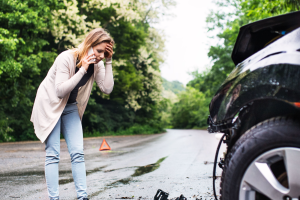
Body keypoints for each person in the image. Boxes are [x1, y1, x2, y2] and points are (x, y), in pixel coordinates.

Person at [30, 28, 114, 200]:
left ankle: (82, 197)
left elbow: (107, 89)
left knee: (78, 152)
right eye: (99, 51)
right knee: (53, 154)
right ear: (89, 44)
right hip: (50, 106)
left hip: (70, 107)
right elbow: (60, 91)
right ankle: (54, 198)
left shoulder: (98, 64)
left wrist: (109, 61)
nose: (99, 56)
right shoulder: (66, 58)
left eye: (103, 53)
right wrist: (83, 69)